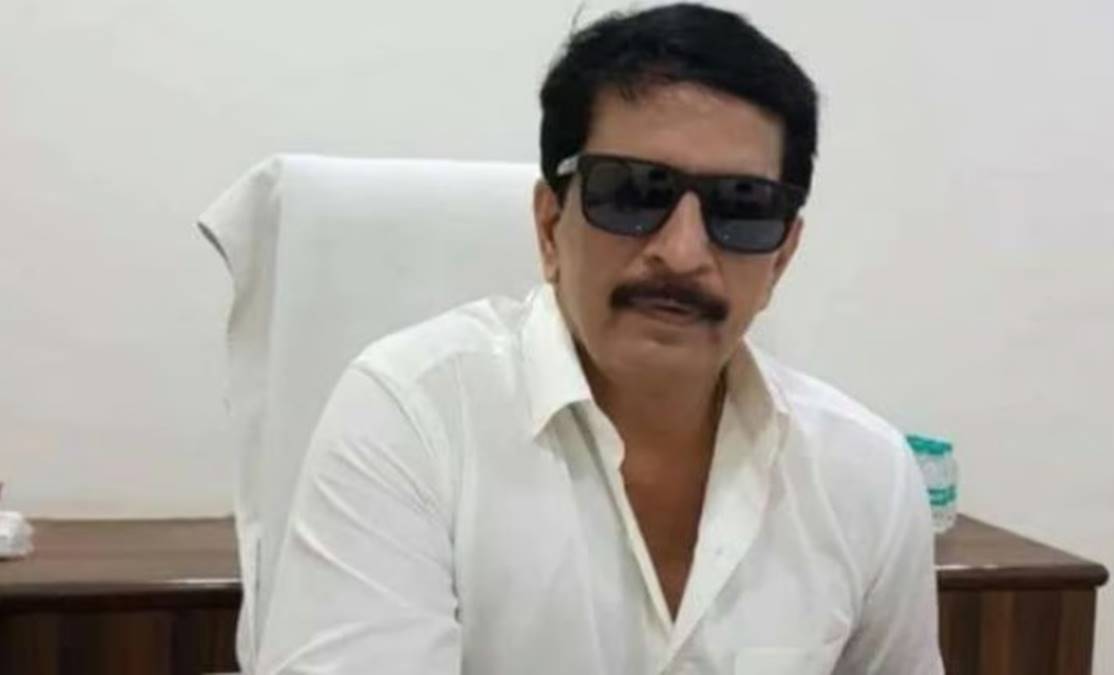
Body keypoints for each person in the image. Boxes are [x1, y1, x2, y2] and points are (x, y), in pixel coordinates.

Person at [256, 4, 943, 674]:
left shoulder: (867, 476)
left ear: (782, 259)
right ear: (549, 226)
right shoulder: (412, 421)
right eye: (634, 192)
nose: (682, 253)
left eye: (741, 206)